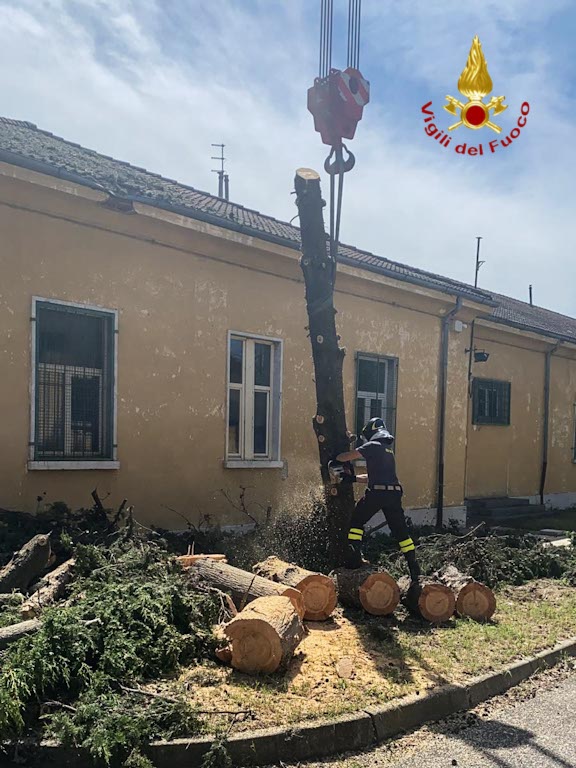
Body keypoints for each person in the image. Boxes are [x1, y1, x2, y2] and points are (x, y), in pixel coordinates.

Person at [334, 417, 421, 581]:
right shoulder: (388, 450)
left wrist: (335, 458)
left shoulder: (372, 446)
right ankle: (413, 566)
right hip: (393, 493)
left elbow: (348, 456)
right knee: (400, 531)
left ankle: (354, 556)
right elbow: (371, 476)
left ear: (371, 432)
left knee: (357, 521)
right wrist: (352, 479)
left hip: (377, 493)